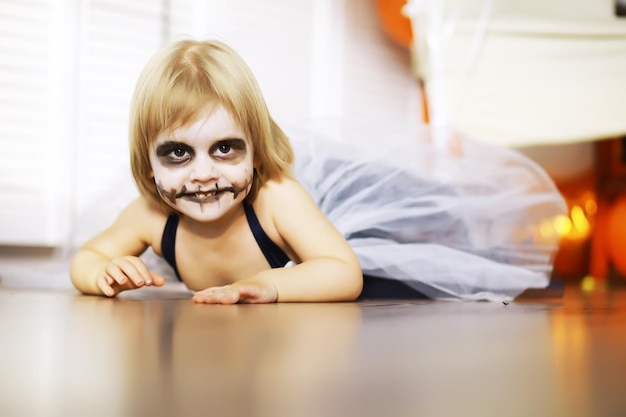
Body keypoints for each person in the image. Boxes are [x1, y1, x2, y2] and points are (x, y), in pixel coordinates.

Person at [70, 38, 567, 303]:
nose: (203, 174)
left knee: (417, 236)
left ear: (256, 150)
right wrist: (102, 273)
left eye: (226, 148)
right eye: (178, 153)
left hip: (349, 217)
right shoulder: (150, 215)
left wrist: (273, 287)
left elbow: (342, 271)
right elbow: (88, 257)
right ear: (148, 162)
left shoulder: (277, 197)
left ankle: (471, 224)